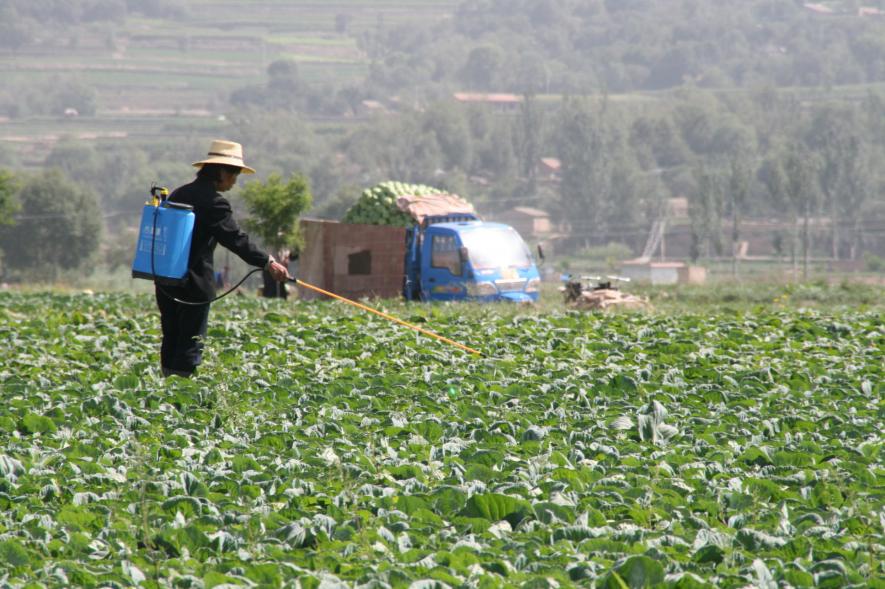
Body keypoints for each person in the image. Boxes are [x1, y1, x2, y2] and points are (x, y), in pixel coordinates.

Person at [156, 139, 290, 378]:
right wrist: (268, 262)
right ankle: (178, 399)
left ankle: (165, 394)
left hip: (165, 281)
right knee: (190, 342)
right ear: (221, 171)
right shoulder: (214, 202)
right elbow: (236, 239)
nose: (234, 182)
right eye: (234, 175)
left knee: (172, 336)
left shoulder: (180, 192)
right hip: (193, 285)